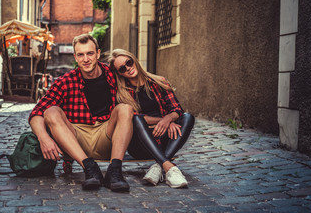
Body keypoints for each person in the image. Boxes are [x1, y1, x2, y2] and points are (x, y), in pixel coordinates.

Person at [29, 34, 133, 192]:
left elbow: (140, 85)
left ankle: (115, 171)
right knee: (50, 112)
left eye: (90, 53)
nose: (86, 59)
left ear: (98, 54)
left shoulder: (113, 75)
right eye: (81, 54)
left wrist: (169, 116)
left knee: (125, 108)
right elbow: (37, 112)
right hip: (76, 139)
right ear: (75, 57)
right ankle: (90, 168)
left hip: (107, 135)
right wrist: (43, 136)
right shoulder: (65, 81)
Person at [108, 49, 195, 188]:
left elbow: (177, 109)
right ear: (119, 74)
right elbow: (134, 118)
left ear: (134, 60)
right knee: (136, 120)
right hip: (141, 144)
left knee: (188, 117)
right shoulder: (122, 93)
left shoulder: (159, 81)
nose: (128, 69)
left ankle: (158, 166)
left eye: (129, 63)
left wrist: (169, 118)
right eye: (122, 68)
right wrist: (164, 121)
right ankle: (169, 167)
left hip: (164, 139)